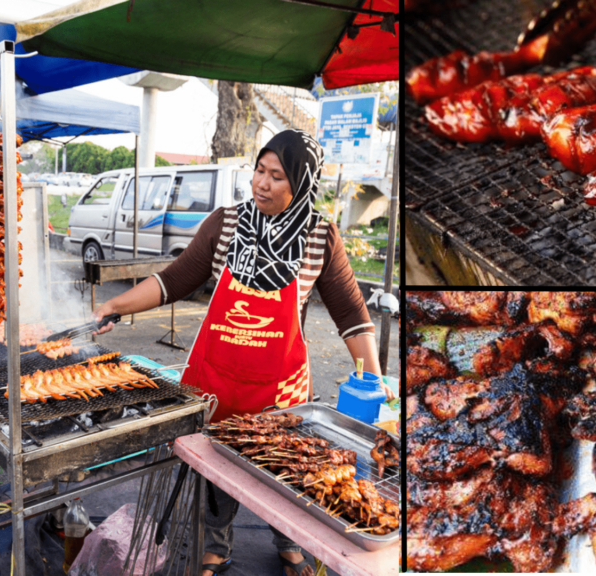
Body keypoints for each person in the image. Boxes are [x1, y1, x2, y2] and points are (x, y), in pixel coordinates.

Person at [91, 129, 393, 576]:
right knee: (216, 470)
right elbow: (172, 281)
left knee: (290, 466)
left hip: (280, 388)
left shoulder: (318, 238)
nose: (261, 183)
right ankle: (215, 544)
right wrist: (115, 304)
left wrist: (375, 379)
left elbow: (352, 316)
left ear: (302, 183)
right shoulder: (225, 224)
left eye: (276, 176)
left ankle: (291, 543)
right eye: (259, 170)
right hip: (217, 382)